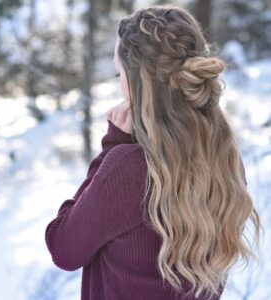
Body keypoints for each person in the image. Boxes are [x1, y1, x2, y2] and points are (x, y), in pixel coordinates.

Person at [45, 4, 262, 300]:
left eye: (118, 72)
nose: (118, 82)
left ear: (137, 82)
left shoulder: (129, 168)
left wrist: (114, 145)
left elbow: (63, 247)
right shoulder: (224, 159)